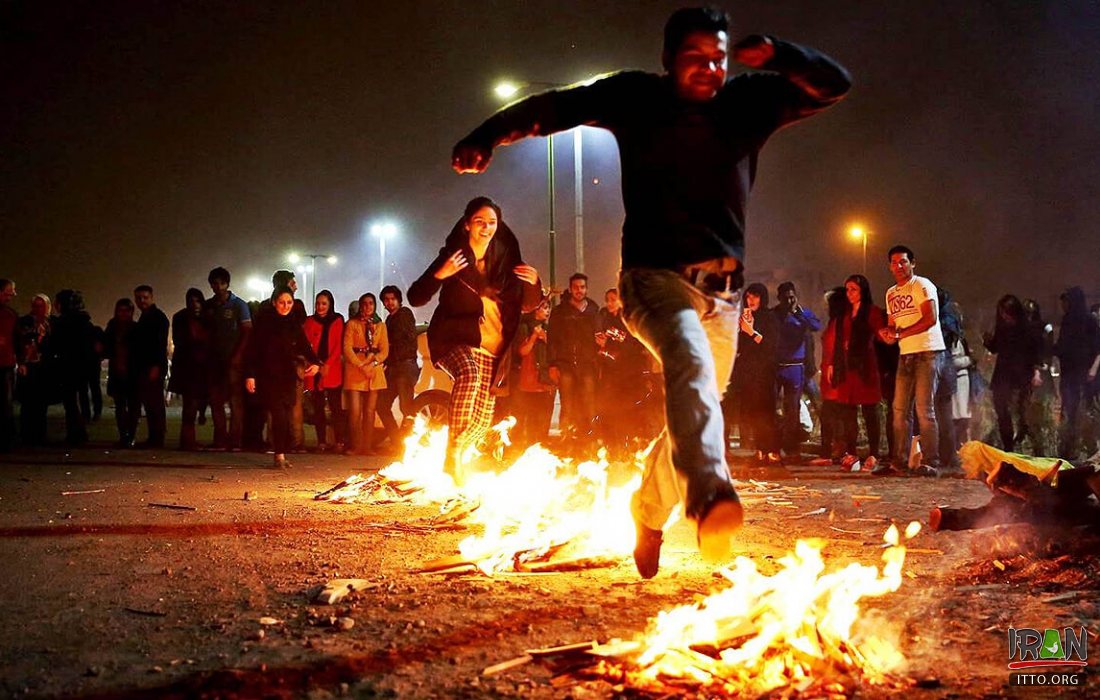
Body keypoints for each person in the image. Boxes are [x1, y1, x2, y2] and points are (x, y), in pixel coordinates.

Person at [453, 6, 850, 576]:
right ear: (667, 62)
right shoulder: (636, 97)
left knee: (698, 406)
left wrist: (784, 56)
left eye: (717, 57)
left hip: (724, 296)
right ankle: (710, 492)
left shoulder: (747, 102)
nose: (709, 70)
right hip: (651, 280)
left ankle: (648, 509)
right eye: (694, 59)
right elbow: (554, 108)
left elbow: (835, 85)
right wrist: (487, 134)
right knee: (687, 363)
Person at [407, 197, 541, 482]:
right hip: (454, 340)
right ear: (467, 224)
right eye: (480, 222)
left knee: (481, 421)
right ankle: (452, 454)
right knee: (467, 374)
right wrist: (440, 273)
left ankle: (456, 459)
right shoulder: (454, 257)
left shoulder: (505, 263)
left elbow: (528, 305)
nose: (486, 228)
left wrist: (535, 283)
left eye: (492, 223)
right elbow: (416, 296)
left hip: (493, 352)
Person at [876, 245, 944, 477]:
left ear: (912, 263)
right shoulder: (891, 293)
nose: (899, 266)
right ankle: (899, 461)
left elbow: (930, 319)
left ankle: (930, 461)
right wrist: (887, 334)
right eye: (894, 263)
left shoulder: (922, 285)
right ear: (889, 266)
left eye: (903, 262)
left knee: (924, 409)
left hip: (928, 351)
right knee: (899, 410)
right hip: (906, 354)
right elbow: (894, 326)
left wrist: (900, 334)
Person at [245, 286, 320, 469]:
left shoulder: (293, 323)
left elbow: (304, 345)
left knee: (286, 416)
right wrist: (250, 375)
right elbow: (253, 350)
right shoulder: (264, 323)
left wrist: (315, 362)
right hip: (268, 376)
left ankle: (282, 452)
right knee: (278, 415)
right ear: (273, 302)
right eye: (281, 302)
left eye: (289, 302)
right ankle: (278, 455)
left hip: (288, 375)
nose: (285, 306)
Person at [826, 275, 885, 467]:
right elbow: (836, 341)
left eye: (854, 289)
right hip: (846, 368)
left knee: (870, 410)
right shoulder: (845, 314)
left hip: (865, 366)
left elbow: (881, 334)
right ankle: (851, 452)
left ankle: (874, 453)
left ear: (863, 291)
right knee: (848, 412)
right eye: (847, 289)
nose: (849, 293)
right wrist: (832, 364)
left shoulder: (872, 312)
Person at [982, 295, 1041, 453]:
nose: (1004, 316)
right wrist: (987, 341)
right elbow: (996, 347)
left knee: (1022, 412)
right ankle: (1008, 445)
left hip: (1022, 375)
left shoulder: (1027, 329)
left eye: (1007, 312)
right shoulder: (1003, 328)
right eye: (1002, 313)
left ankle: (1029, 443)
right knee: (1001, 410)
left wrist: (1036, 372)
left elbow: (1035, 352)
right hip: (1003, 374)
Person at [596, 287, 651, 452]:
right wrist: (602, 346)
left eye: (614, 299)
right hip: (610, 372)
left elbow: (635, 345)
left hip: (629, 373)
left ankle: (629, 444)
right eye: (608, 300)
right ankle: (612, 445)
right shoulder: (604, 318)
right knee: (609, 409)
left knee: (627, 410)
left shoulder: (629, 320)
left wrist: (611, 347)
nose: (610, 303)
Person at [547, 273, 600, 443]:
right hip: (566, 364)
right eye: (576, 287)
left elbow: (598, 336)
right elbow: (552, 339)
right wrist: (553, 364)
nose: (579, 290)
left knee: (590, 403)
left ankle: (591, 440)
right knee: (567, 404)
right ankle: (566, 440)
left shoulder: (593, 309)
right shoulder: (559, 312)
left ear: (586, 289)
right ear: (570, 289)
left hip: (587, 364)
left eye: (582, 287)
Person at [204, 267, 252, 450]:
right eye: (214, 283)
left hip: (233, 362)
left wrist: (238, 355)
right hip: (214, 362)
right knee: (216, 402)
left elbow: (248, 332)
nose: (218, 287)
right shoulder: (210, 306)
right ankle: (220, 440)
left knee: (235, 402)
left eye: (221, 283)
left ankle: (235, 441)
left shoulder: (239, 305)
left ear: (227, 284)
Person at [772, 282, 822, 458]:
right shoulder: (774, 314)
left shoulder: (803, 314)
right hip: (777, 367)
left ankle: (792, 448)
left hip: (796, 366)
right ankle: (774, 446)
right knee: (772, 407)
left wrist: (799, 313)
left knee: (792, 409)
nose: (789, 300)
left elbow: (816, 326)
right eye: (785, 297)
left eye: (792, 297)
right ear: (779, 298)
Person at [734, 283, 780, 465]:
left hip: (765, 373)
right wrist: (741, 331)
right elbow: (741, 347)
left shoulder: (770, 318)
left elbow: (770, 345)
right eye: (748, 297)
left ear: (763, 298)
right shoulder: (747, 318)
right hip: (749, 374)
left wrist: (751, 332)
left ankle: (772, 450)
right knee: (753, 413)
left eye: (755, 297)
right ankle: (760, 449)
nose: (750, 301)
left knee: (767, 412)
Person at [1053, 286, 1100, 459]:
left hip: (1086, 375)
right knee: (1069, 410)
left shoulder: (1089, 320)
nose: (1063, 305)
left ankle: (1090, 448)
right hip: (1069, 374)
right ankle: (1068, 449)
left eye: (1066, 301)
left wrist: (1093, 369)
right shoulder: (1067, 321)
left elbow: (1098, 348)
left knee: (1087, 411)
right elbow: (1063, 346)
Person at [342, 292, 389, 455]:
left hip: (373, 372)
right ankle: (355, 445)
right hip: (356, 370)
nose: (367, 307)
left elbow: (384, 351)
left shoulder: (380, 325)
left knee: (370, 411)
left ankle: (367, 447)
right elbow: (347, 348)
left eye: (371, 303)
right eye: (364, 304)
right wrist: (361, 365)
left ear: (374, 306)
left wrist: (374, 363)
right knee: (355, 411)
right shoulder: (352, 324)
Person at [51, 290, 97, 446]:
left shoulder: (63, 323)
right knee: (77, 401)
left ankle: (75, 433)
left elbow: (55, 346)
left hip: (68, 368)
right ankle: (79, 432)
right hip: (82, 368)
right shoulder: (85, 323)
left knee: (70, 403)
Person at [377, 284, 420, 450]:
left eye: (392, 299)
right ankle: (398, 441)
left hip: (405, 366)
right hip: (394, 368)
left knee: (406, 407)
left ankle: (409, 443)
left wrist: (388, 346)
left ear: (399, 300)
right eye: (386, 300)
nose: (389, 303)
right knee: (382, 404)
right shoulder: (389, 319)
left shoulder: (404, 314)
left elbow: (404, 339)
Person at [302, 289, 345, 452]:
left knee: (335, 407)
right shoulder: (310, 321)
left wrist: (327, 364)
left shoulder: (337, 320)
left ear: (330, 305)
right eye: (318, 303)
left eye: (324, 303)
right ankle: (321, 441)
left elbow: (337, 346)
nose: (320, 307)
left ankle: (339, 441)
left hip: (331, 369)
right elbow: (306, 344)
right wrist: (314, 363)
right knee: (318, 408)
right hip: (314, 369)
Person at [170, 288, 210, 451]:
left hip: (204, 367)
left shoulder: (208, 318)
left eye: (197, 301)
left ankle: (189, 439)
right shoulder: (180, 317)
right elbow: (180, 341)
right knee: (190, 406)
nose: (195, 305)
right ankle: (187, 440)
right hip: (188, 368)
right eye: (191, 301)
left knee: (197, 403)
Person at [512, 296, 555, 449]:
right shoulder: (524, 327)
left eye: (548, 308)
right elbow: (522, 351)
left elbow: (556, 351)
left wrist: (546, 338)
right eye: (544, 307)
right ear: (536, 309)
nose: (547, 311)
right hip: (529, 377)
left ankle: (541, 445)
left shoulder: (549, 329)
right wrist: (534, 337)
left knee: (543, 416)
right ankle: (525, 446)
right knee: (528, 415)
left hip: (545, 378)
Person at [131, 285, 169, 447]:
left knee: (154, 404)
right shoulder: (146, 317)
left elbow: (160, 345)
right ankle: (155, 436)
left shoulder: (157, 318)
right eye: (139, 298)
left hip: (152, 367)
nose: (142, 301)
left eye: (145, 297)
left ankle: (157, 438)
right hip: (146, 366)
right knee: (151, 403)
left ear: (151, 297)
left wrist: (155, 366)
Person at [15, 293, 54, 446]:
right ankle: (27, 435)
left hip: (43, 367)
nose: (39, 309)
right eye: (36, 305)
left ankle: (39, 435)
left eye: (42, 305)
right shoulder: (25, 322)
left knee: (41, 403)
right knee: (28, 403)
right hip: (30, 365)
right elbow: (21, 342)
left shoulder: (50, 323)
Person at [103, 298, 139, 447]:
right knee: (120, 405)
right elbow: (106, 345)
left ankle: (130, 435)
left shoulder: (135, 328)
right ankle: (123, 435)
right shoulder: (112, 327)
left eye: (126, 310)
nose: (123, 314)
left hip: (132, 372)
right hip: (117, 370)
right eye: (120, 310)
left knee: (132, 406)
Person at [0, 279, 18, 451]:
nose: (13, 294)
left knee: (6, 404)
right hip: (5, 363)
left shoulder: (10, 315)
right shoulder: (9, 315)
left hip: (6, 364)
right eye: (9, 291)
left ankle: (7, 439)